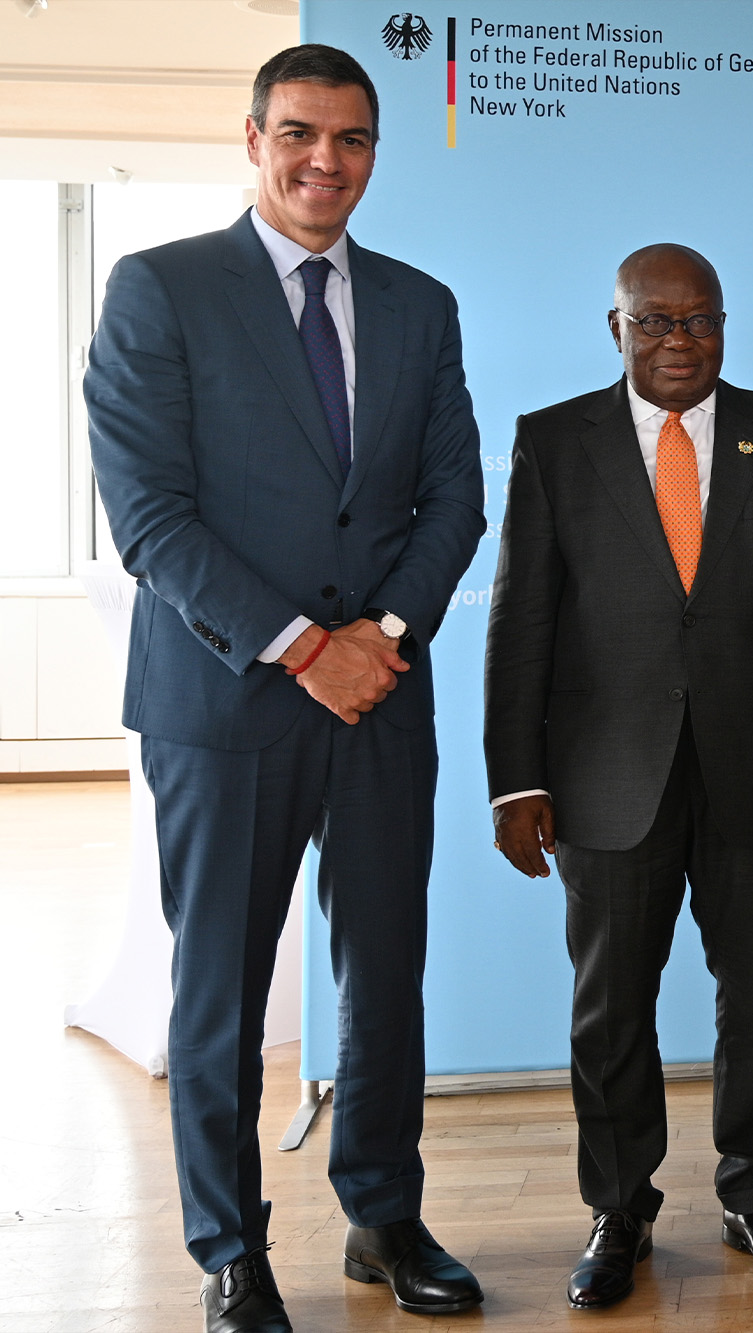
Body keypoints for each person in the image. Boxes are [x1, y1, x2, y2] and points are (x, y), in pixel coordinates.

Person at [84, 45, 485, 1333]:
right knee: (223, 985)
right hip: (225, 705)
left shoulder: (421, 304)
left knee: (386, 972)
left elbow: (453, 498)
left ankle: (383, 1212)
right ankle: (228, 1248)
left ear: (377, 150)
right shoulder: (161, 289)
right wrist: (310, 647)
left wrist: (382, 633)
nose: (328, 161)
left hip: (383, 698)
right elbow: (150, 518)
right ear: (252, 137)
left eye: (354, 139)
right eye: (301, 134)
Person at [484, 243, 753, 1310]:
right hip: (604, 776)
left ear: (724, 327)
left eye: (697, 321)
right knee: (612, 1005)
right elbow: (521, 623)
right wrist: (514, 781)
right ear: (611, 328)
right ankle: (620, 1208)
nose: (676, 341)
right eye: (652, 322)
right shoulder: (554, 442)